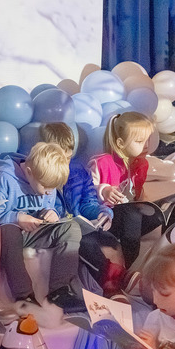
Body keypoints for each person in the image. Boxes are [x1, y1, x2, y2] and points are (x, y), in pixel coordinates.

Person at [0, 142, 84, 312]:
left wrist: (51, 212)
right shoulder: (3, 177)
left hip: (33, 232)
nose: (49, 193)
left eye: (53, 188)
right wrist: (16, 217)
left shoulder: (45, 182)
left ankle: (60, 291)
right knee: (9, 230)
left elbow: (48, 203)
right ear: (29, 172)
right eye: (45, 186)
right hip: (5, 235)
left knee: (70, 227)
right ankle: (24, 296)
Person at [40, 122, 124, 296]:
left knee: (110, 241)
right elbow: (40, 206)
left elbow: (88, 202)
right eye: (60, 159)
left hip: (82, 224)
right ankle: (110, 288)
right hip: (61, 230)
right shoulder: (41, 175)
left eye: (69, 158)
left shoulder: (78, 172)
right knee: (90, 246)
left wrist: (101, 213)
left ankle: (118, 283)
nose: (66, 163)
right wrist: (50, 215)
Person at [89, 112, 170, 267]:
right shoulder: (102, 162)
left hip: (128, 214)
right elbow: (84, 193)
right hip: (105, 217)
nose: (146, 145)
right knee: (131, 215)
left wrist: (147, 204)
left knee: (160, 215)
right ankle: (126, 267)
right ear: (120, 143)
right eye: (140, 141)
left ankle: (163, 262)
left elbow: (137, 194)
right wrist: (104, 191)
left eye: (148, 140)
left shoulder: (141, 164)